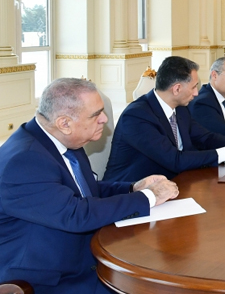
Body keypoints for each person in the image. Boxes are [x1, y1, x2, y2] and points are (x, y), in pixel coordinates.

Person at [0, 78, 179, 294]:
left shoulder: (62, 140)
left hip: (83, 255)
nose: (105, 119)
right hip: (50, 278)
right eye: (96, 115)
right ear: (64, 123)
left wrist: (133, 188)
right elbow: (75, 214)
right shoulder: (24, 161)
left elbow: (85, 190)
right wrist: (149, 197)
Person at [104, 57, 225, 182]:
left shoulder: (180, 108)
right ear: (177, 89)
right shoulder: (137, 116)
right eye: (194, 87)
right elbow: (174, 159)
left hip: (174, 183)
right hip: (131, 193)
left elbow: (205, 137)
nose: (196, 93)